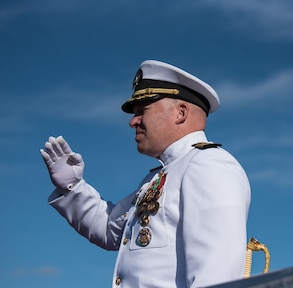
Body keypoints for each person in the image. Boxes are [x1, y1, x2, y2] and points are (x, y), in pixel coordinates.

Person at [40, 60, 251, 288]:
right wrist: (72, 187)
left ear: (181, 113)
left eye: (143, 111)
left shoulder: (208, 164)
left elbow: (217, 273)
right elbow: (110, 229)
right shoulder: (159, 177)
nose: (133, 121)